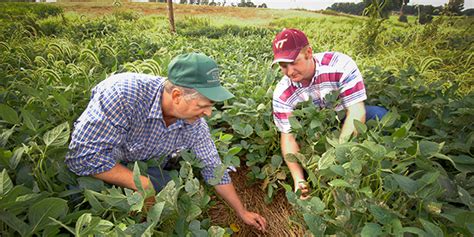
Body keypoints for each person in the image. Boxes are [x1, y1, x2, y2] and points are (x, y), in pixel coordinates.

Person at [65, 53, 267, 231]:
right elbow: (82, 157)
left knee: (168, 190)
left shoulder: (195, 124)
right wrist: (142, 184)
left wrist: (242, 212)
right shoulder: (123, 94)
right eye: (203, 106)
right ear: (177, 96)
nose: (208, 113)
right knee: (83, 198)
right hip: (103, 161)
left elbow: (213, 168)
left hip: (141, 162)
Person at [271, 28, 387, 199]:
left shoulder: (340, 65)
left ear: (309, 52)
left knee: (380, 116)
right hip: (316, 130)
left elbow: (356, 110)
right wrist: (299, 180)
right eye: (283, 66)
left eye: (294, 62)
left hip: (345, 116)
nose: (289, 72)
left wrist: (338, 155)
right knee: (307, 153)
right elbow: (288, 137)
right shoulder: (282, 93)